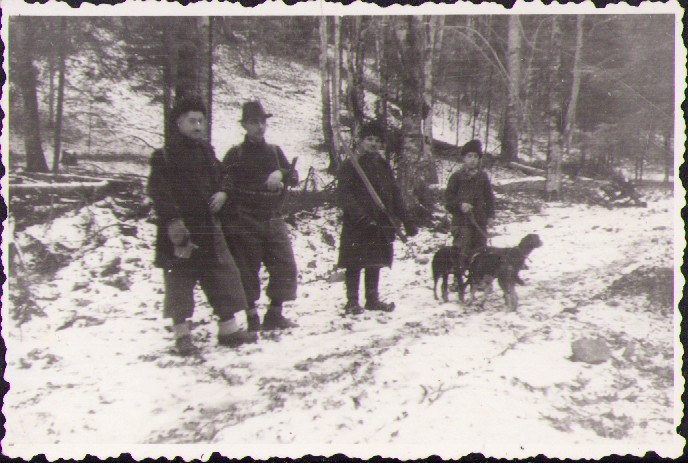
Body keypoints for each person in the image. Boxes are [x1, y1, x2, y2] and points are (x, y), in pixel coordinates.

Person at [147, 96, 257, 356]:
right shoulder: (163, 156)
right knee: (179, 284)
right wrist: (174, 223)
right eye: (191, 121)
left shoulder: (206, 151)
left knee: (220, 277)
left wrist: (223, 193)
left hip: (207, 228)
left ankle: (228, 330)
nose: (197, 126)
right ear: (178, 123)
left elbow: (223, 177)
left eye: (201, 121)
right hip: (180, 231)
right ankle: (182, 337)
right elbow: (159, 193)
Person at [221, 101, 299, 332]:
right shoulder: (235, 153)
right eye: (254, 122)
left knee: (285, 266)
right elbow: (223, 181)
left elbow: (294, 176)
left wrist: (281, 172)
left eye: (263, 122)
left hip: (273, 217)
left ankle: (275, 314)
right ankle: (252, 316)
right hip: (245, 219)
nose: (260, 127)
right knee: (247, 269)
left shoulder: (275, 151)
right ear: (244, 125)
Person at [336, 121, 418, 315]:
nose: (373, 143)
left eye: (377, 140)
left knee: (375, 261)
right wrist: (361, 217)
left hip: (381, 221)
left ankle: (372, 299)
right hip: (358, 223)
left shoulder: (383, 165)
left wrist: (406, 220)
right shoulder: (351, 165)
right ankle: (352, 301)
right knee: (354, 262)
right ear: (361, 141)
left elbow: (395, 193)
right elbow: (344, 195)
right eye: (369, 139)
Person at [444, 139, 495, 267]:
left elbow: (489, 198)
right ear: (463, 158)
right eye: (469, 156)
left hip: (479, 223)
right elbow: (448, 200)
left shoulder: (483, 177)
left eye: (476, 156)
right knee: (462, 253)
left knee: (480, 253)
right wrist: (460, 205)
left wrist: (490, 216)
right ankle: (458, 280)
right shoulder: (456, 177)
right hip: (461, 223)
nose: (472, 159)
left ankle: (476, 281)